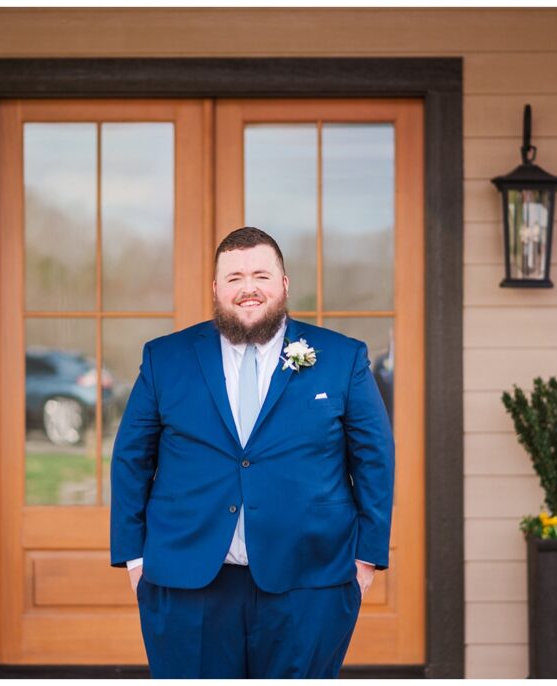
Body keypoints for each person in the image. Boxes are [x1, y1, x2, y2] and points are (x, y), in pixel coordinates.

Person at [110, 226, 395, 678]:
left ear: (283, 284)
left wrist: (367, 556)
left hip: (311, 579)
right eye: (234, 277)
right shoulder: (165, 357)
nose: (248, 289)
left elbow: (374, 459)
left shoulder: (343, 358)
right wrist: (135, 557)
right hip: (188, 580)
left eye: (261, 275)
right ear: (216, 288)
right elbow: (131, 459)